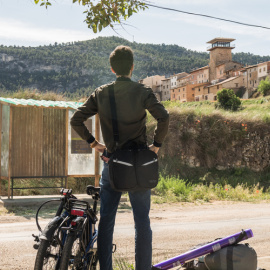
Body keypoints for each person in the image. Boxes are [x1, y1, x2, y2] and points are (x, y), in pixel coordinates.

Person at [70, 45, 169, 270]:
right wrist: (156, 145)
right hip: (139, 166)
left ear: (112, 69)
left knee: (106, 222)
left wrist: (95, 144)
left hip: (113, 164)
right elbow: (164, 117)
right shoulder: (143, 91)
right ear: (132, 67)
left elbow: (76, 120)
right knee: (142, 222)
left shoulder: (101, 93)